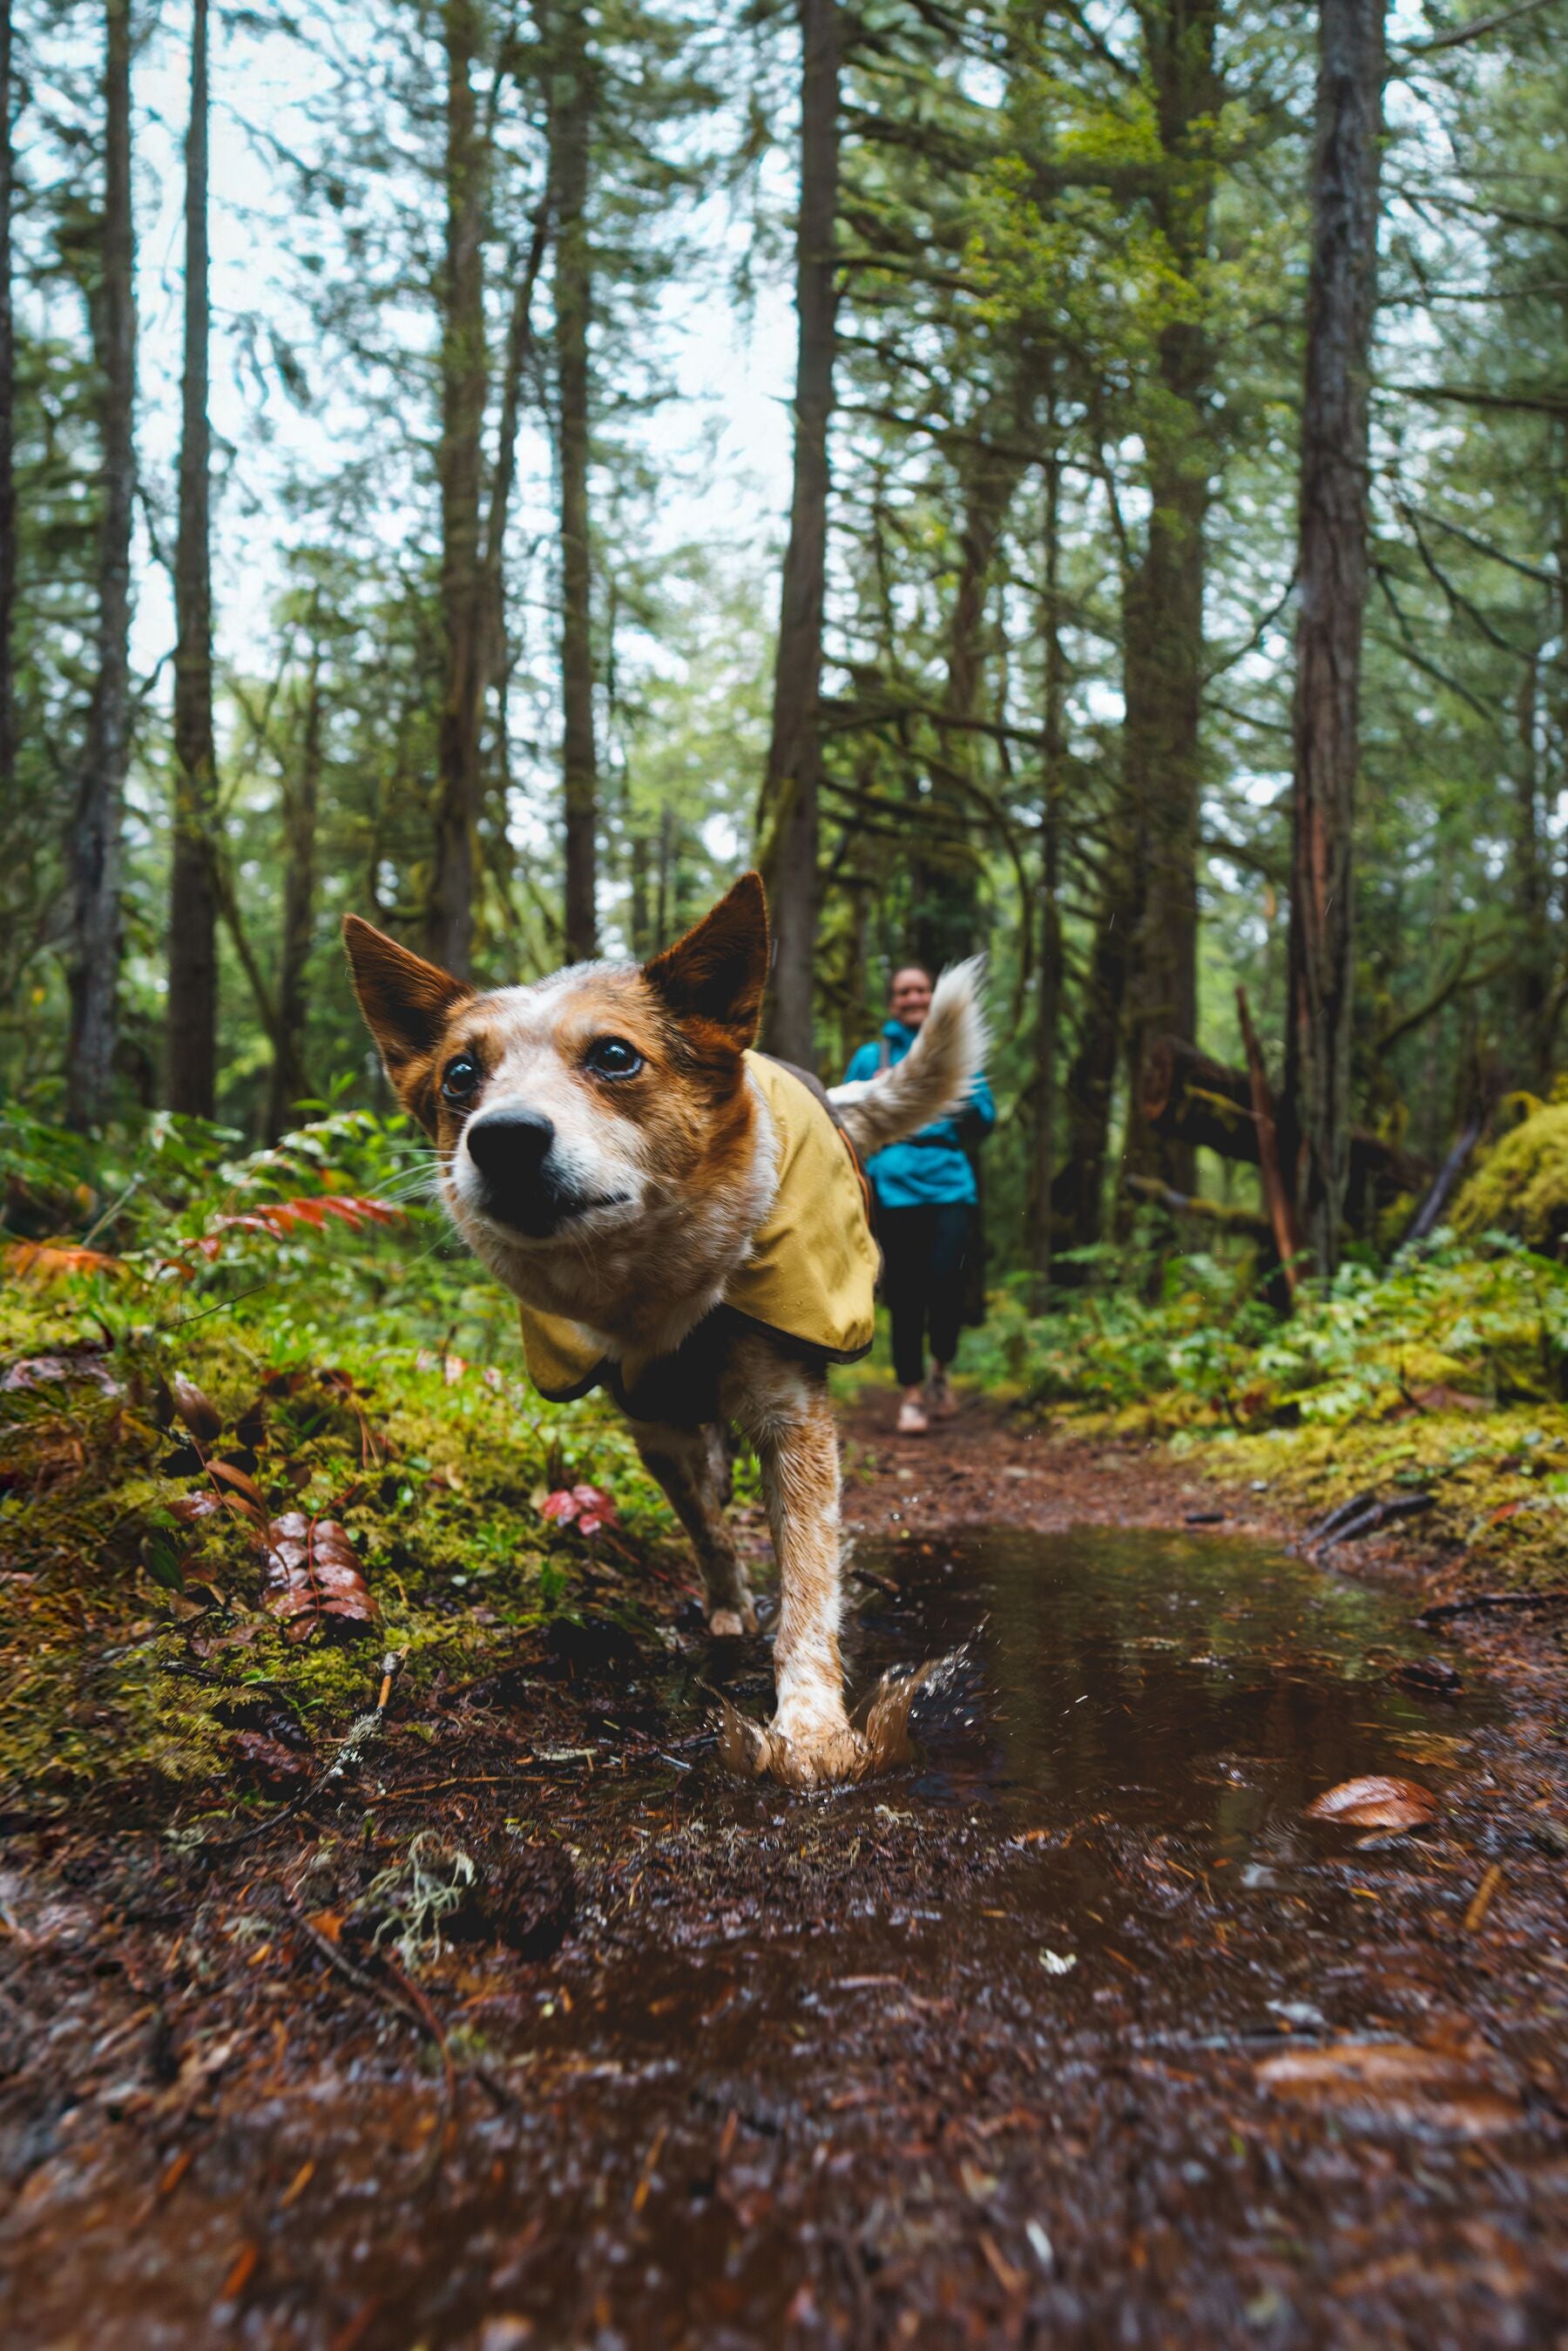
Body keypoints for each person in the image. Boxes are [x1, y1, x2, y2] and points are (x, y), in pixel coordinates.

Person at [843, 963, 995, 1435]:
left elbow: (986, 1119)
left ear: (932, 998)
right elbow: (841, 1117)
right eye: (904, 992)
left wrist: (950, 1086)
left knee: (946, 1285)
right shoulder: (873, 1055)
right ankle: (910, 1394)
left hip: (950, 1182)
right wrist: (882, 1087)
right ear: (893, 1002)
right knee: (905, 1292)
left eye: (921, 991)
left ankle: (941, 1372)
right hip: (893, 1185)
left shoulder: (957, 1054)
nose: (913, 998)